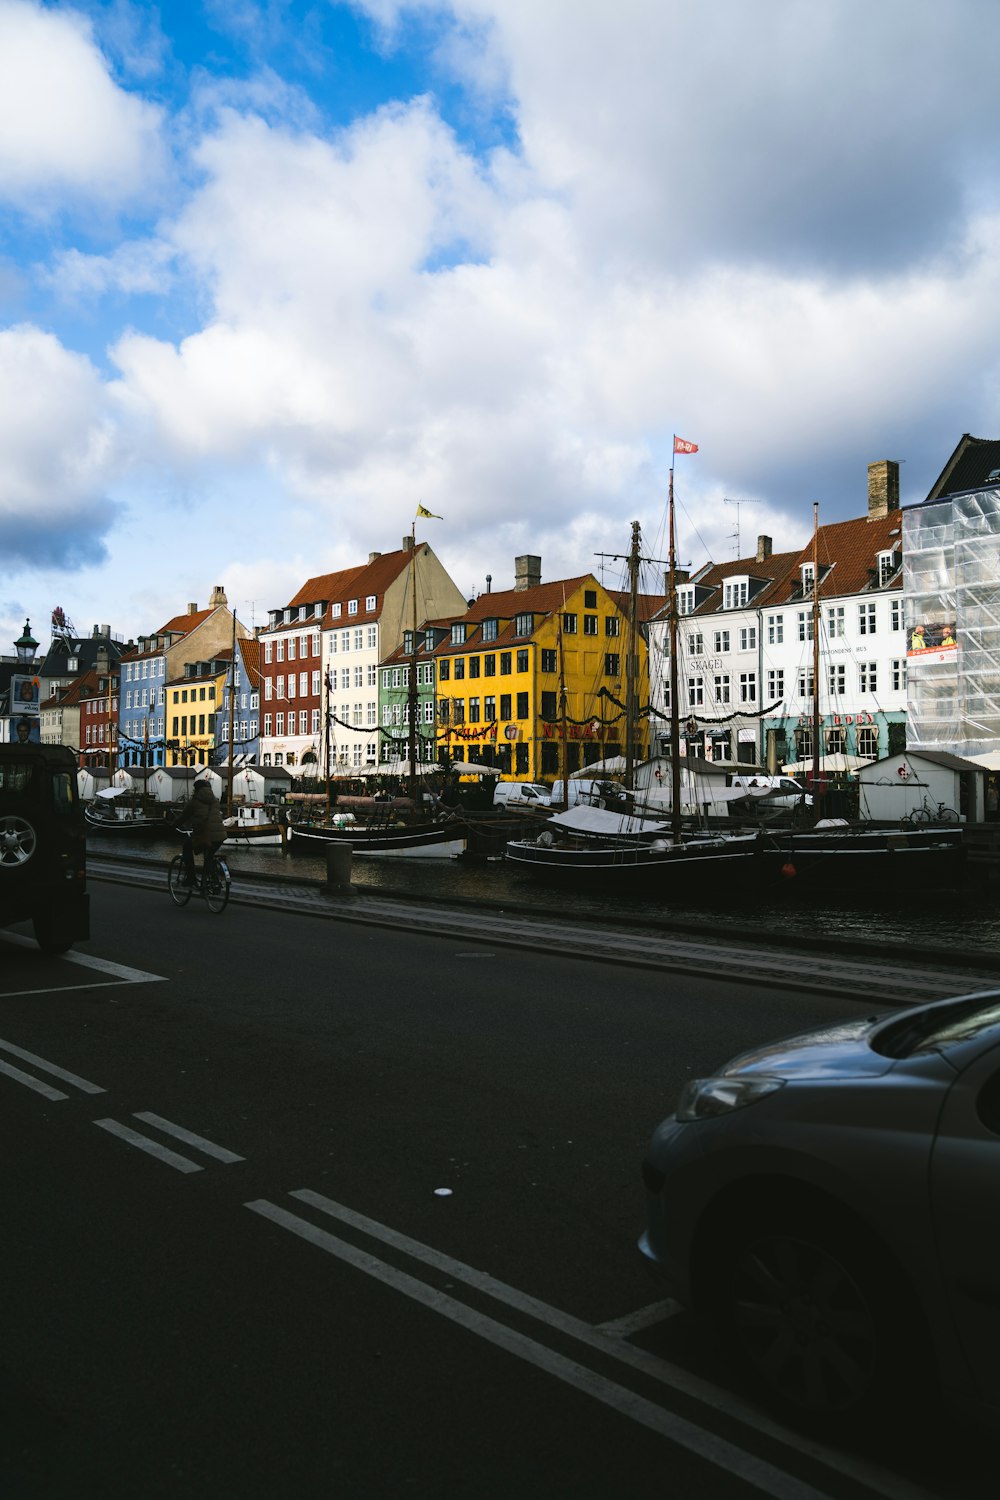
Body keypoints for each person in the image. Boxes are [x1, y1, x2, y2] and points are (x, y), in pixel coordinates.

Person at [175, 779, 226, 885]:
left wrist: (172, 825)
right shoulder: (215, 801)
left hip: (204, 834)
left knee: (187, 847)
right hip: (221, 836)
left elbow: (183, 817)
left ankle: (191, 878)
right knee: (209, 856)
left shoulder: (194, 802)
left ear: (196, 790)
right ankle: (213, 881)